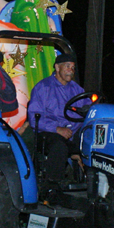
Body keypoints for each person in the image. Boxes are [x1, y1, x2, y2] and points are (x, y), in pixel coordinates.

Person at [26, 54, 86, 188]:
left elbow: (86, 108)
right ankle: (52, 185)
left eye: (73, 67)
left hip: (73, 133)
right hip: (49, 133)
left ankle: (92, 185)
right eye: (67, 66)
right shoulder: (43, 87)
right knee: (59, 146)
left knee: (92, 142)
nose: (71, 70)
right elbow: (34, 117)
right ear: (57, 67)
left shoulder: (77, 89)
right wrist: (57, 129)